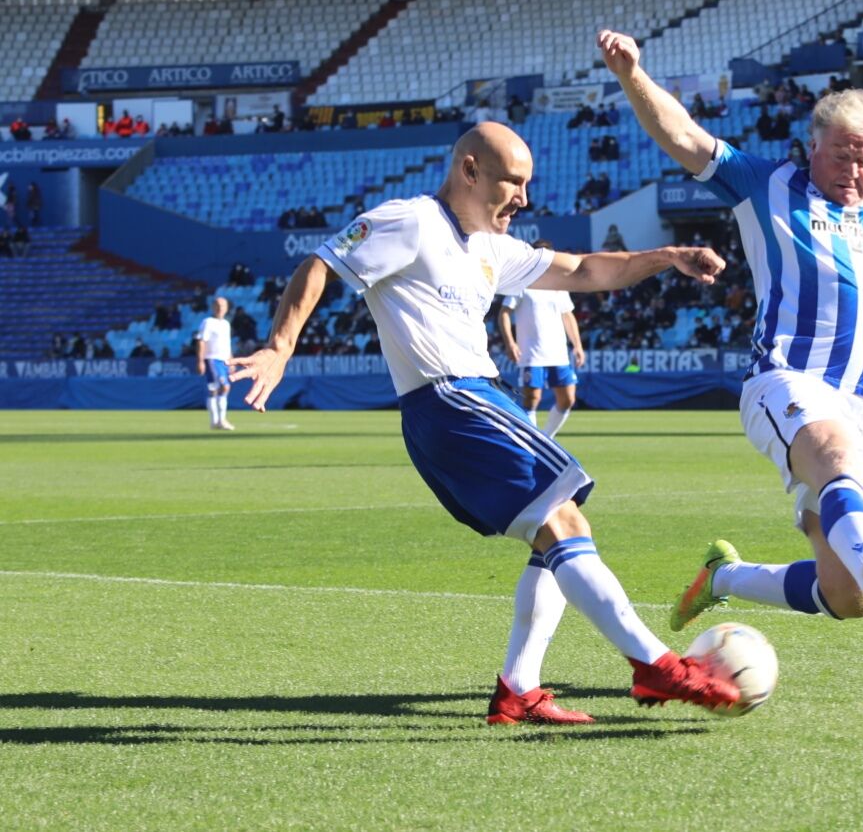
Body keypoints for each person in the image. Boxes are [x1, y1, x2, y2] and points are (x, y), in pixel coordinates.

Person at [230, 122, 740, 724]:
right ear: (469, 170)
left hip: (462, 403)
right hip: (451, 399)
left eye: (527, 183)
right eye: (512, 181)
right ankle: (657, 665)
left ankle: (518, 689)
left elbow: (582, 271)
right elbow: (321, 263)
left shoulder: (491, 248)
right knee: (561, 514)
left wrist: (668, 257)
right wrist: (281, 346)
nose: (523, 196)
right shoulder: (412, 221)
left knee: (558, 525)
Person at [599, 28, 863, 636]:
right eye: (840, 154)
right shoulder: (767, 185)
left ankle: (723, 578)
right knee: (833, 458)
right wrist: (633, 74)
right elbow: (684, 136)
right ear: (811, 147)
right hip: (785, 381)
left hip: (857, 405)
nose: (852, 169)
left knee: (846, 598)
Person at [498, 240, 584, 438]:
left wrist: (577, 345)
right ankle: (532, 441)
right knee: (532, 398)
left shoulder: (558, 284)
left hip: (558, 352)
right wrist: (510, 342)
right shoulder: (522, 283)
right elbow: (504, 312)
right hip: (532, 353)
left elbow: (567, 315)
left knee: (567, 399)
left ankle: (547, 438)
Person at [195, 296, 235, 431]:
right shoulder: (208, 322)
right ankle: (219, 420)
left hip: (223, 360)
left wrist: (231, 361)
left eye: (223, 306)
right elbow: (201, 341)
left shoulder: (226, 324)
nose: (220, 308)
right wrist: (200, 361)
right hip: (212, 359)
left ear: (227, 308)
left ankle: (216, 421)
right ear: (212, 307)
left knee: (216, 389)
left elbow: (227, 344)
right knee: (223, 387)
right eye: (217, 305)